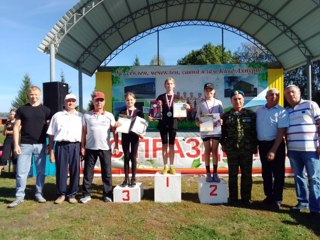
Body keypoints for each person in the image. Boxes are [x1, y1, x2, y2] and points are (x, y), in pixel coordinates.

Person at [8, 86, 51, 208]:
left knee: (41, 172)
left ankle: (39, 193)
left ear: (40, 94)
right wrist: (16, 144)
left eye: (36, 94)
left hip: (41, 145)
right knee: (21, 172)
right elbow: (16, 128)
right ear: (28, 95)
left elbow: (50, 129)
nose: (34, 96)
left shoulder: (46, 110)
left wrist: (49, 145)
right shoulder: (22, 110)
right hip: (25, 145)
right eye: (31, 94)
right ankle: (19, 196)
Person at [284, 85, 320, 217]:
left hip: (311, 150)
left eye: (293, 92)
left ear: (299, 93)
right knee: (298, 177)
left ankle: (316, 208)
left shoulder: (310, 105)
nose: (290, 95)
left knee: (314, 178)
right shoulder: (286, 111)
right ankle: (302, 202)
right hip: (293, 150)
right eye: (287, 93)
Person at [80, 91, 119, 203]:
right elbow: (83, 132)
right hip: (90, 148)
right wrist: (82, 147)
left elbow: (115, 131)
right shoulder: (87, 115)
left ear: (104, 102)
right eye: (97, 100)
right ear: (93, 101)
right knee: (88, 173)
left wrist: (116, 145)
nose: (99, 102)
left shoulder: (109, 115)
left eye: (101, 100)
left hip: (105, 148)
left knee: (107, 173)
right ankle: (86, 194)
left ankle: (107, 195)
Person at [221, 90, 257, 205]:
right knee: (232, 174)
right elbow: (222, 132)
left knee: (247, 174)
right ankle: (233, 198)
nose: (238, 101)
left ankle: (246, 198)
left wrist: (254, 146)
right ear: (231, 101)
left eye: (240, 99)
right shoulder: (226, 115)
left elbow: (254, 132)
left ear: (243, 99)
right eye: (235, 99)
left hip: (246, 149)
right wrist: (224, 145)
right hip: (232, 149)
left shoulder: (251, 114)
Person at [148, 77, 190, 175]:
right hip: (163, 124)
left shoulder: (178, 98)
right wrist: (152, 117)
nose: (169, 85)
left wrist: (187, 107)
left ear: (174, 85)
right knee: (164, 145)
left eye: (171, 83)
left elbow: (183, 109)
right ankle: (165, 166)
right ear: (165, 85)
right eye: (168, 83)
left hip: (173, 124)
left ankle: (171, 166)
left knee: (171, 145)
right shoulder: (160, 97)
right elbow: (155, 111)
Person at [47, 93, 83, 204]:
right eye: (68, 101)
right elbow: (51, 134)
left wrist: (82, 148)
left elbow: (84, 133)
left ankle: (72, 194)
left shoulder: (81, 116)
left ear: (75, 103)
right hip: (61, 145)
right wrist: (51, 150)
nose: (70, 102)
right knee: (61, 170)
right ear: (64, 102)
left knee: (75, 171)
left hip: (76, 146)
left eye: (73, 101)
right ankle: (61, 194)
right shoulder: (57, 116)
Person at [256, 88, 288, 210]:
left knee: (278, 173)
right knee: (266, 172)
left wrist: (273, 150)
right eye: (271, 94)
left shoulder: (282, 111)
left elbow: (281, 132)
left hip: (276, 145)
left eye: (277, 95)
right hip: (262, 145)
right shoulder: (259, 111)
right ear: (266, 97)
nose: (274, 96)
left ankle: (277, 199)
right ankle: (269, 196)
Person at [195, 83, 223, 183]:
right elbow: (197, 118)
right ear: (204, 91)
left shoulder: (219, 102)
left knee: (215, 150)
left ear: (214, 91)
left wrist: (221, 121)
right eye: (206, 90)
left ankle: (215, 173)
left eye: (210, 90)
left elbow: (222, 116)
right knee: (207, 150)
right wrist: (198, 123)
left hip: (216, 130)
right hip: (206, 129)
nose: (209, 92)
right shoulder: (201, 104)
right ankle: (208, 173)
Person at [118, 92, 143, 187]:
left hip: (135, 137)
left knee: (133, 157)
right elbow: (119, 124)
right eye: (128, 100)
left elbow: (142, 125)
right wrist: (118, 125)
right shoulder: (122, 112)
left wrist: (142, 133)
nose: (130, 101)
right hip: (125, 136)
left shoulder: (139, 112)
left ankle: (133, 178)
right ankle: (126, 178)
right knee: (126, 157)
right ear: (125, 101)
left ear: (134, 100)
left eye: (131, 100)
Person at [0, 109, 17, 176]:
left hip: (15, 140)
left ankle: (14, 173)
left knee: (15, 157)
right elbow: (4, 133)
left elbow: (18, 131)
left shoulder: (17, 122)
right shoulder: (7, 122)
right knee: (4, 156)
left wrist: (9, 132)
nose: (12, 115)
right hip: (7, 140)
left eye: (13, 114)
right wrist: (5, 128)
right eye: (11, 114)